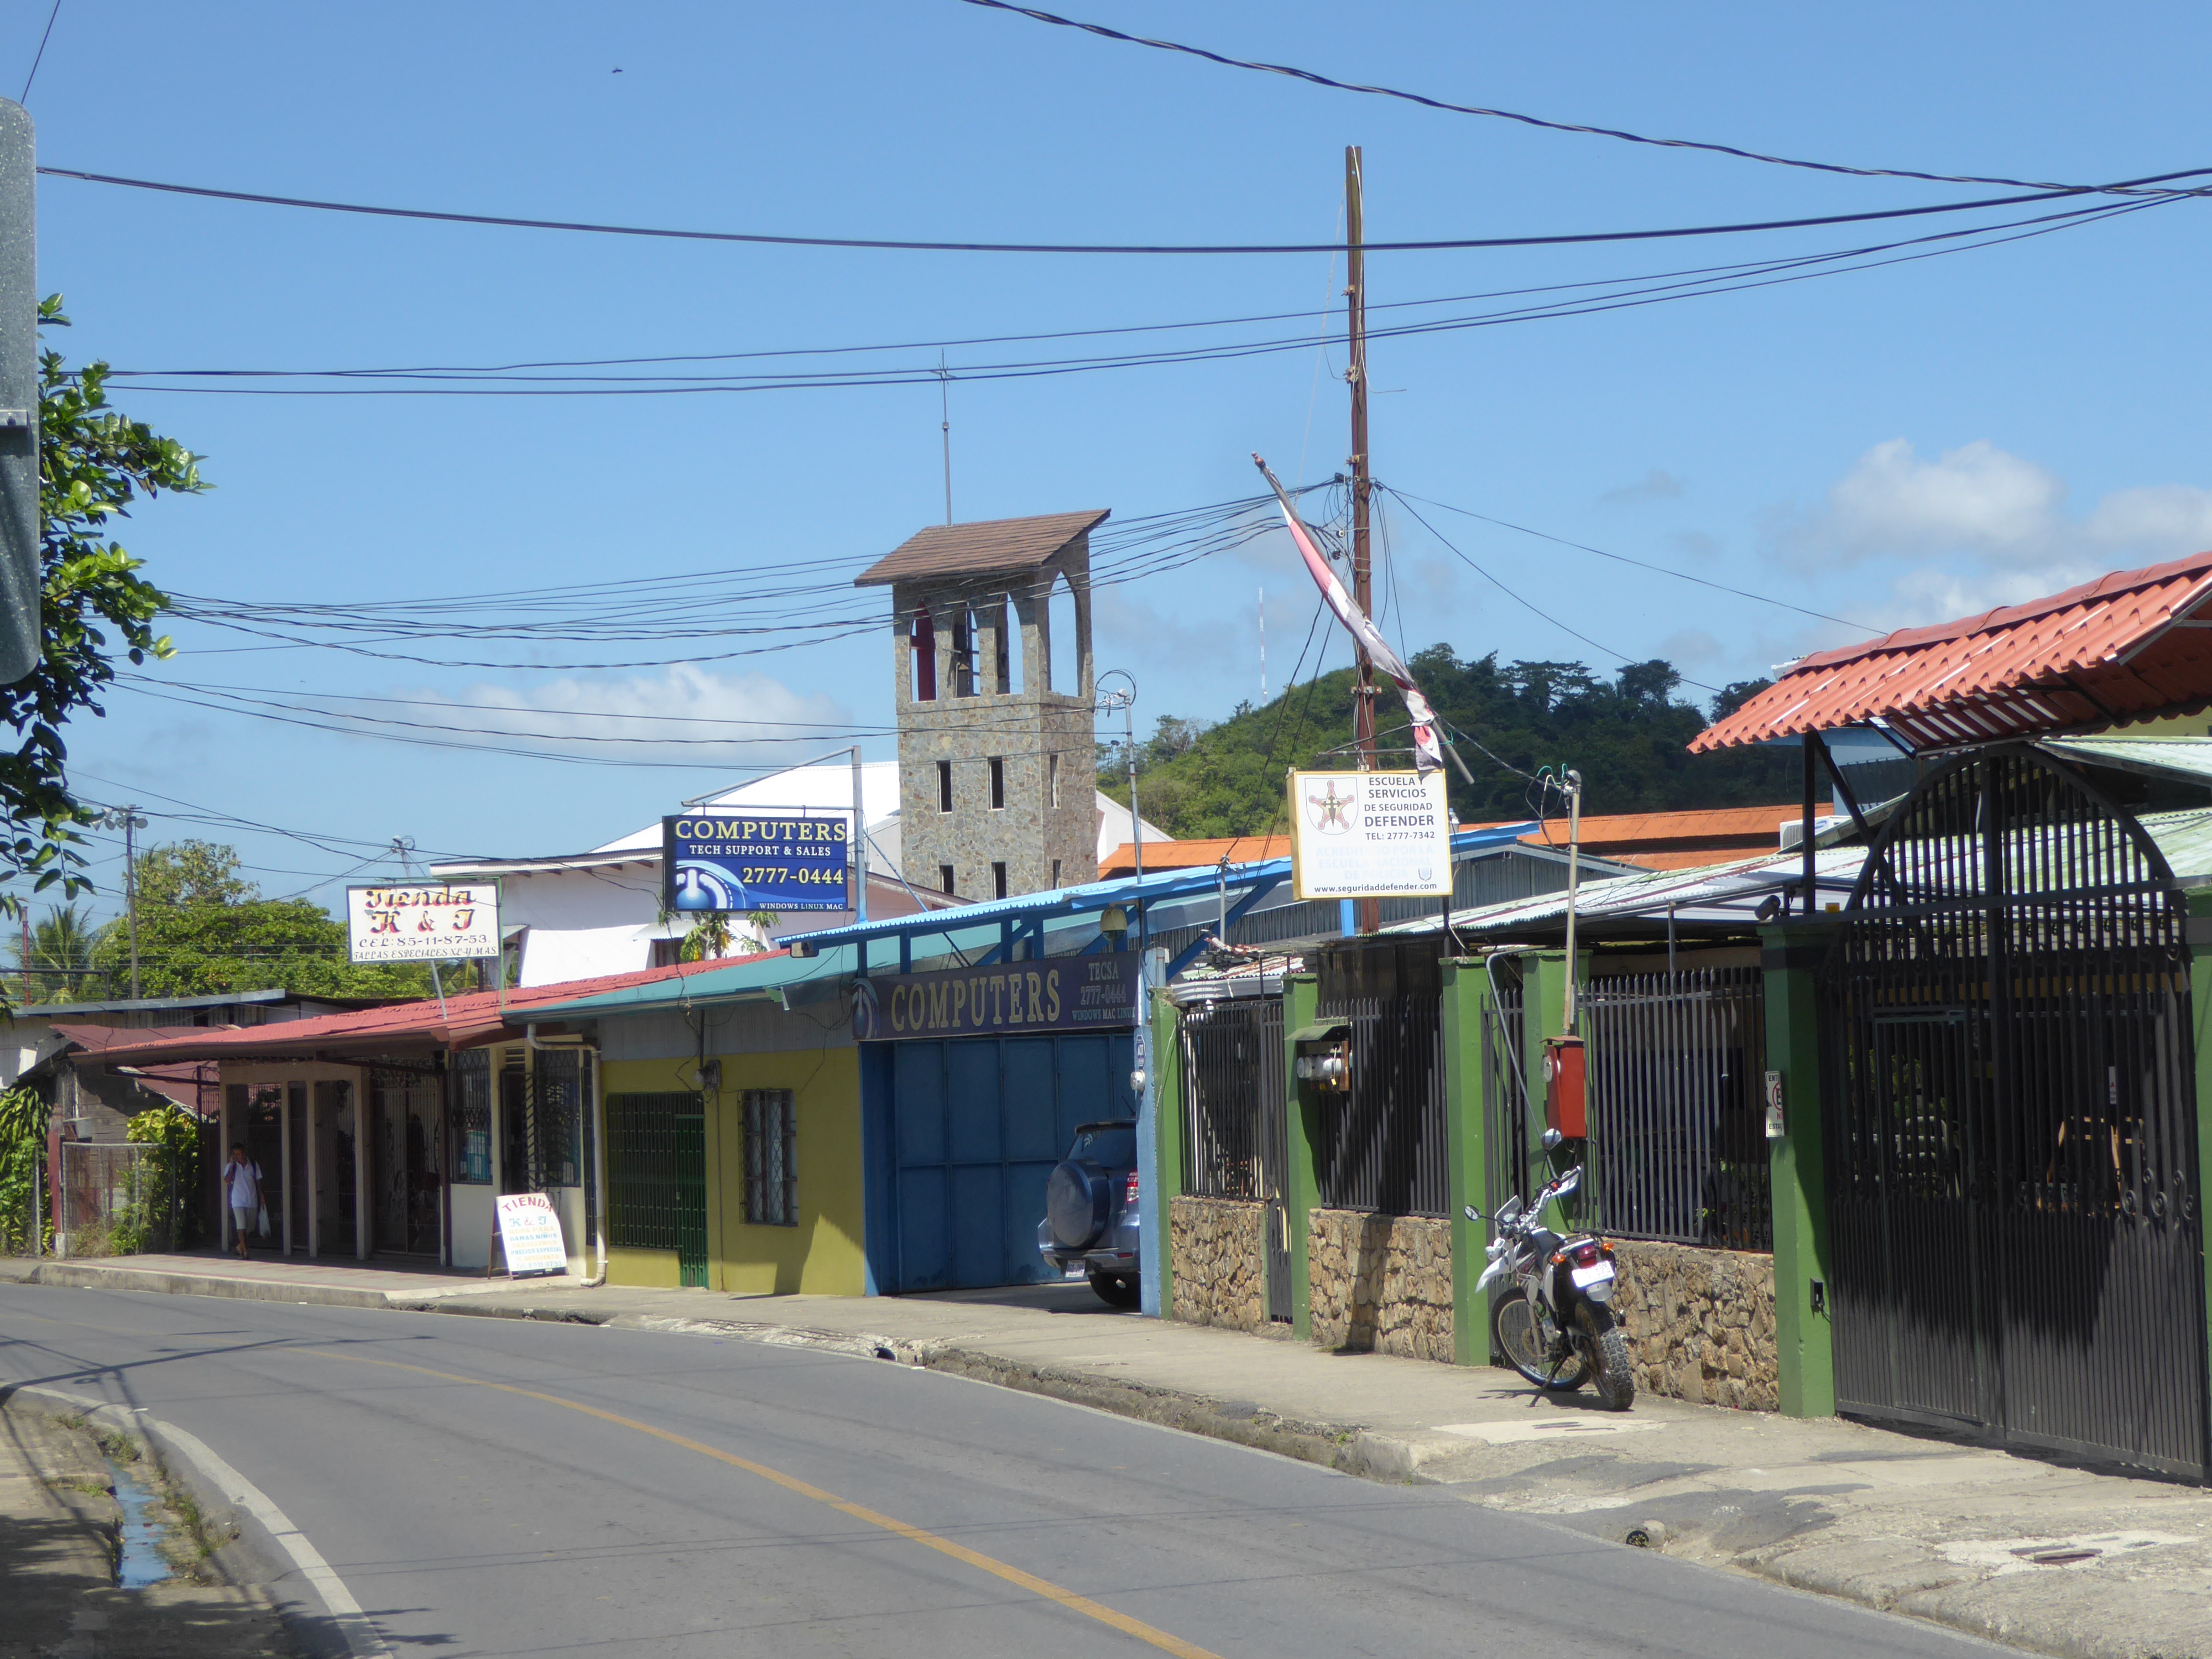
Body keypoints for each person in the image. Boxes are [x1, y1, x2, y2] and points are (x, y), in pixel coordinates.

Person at [223, 1144, 262, 1260]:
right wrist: (232, 1166)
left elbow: (258, 1182)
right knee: (241, 1226)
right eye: (236, 1155)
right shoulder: (231, 1166)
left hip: (251, 1200)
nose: (239, 1156)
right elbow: (227, 1181)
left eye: (241, 1154)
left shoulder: (253, 1165)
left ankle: (240, 1246)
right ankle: (244, 1252)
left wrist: (261, 1196)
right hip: (238, 1200)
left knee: (250, 1227)